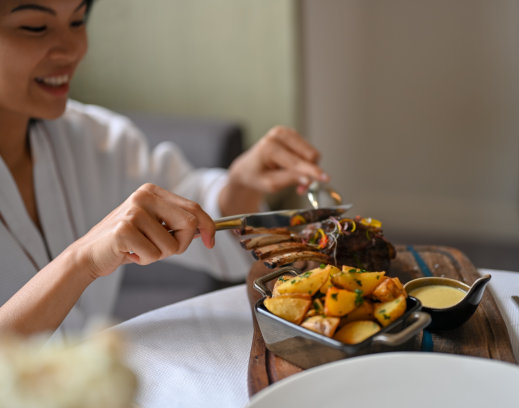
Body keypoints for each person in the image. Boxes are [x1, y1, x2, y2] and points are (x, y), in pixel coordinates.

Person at [0, 0, 328, 337]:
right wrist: (82, 261)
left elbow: (199, 213)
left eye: (78, 21)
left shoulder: (96, 140)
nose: (72, 50)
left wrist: (242, 183)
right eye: (35, 27)